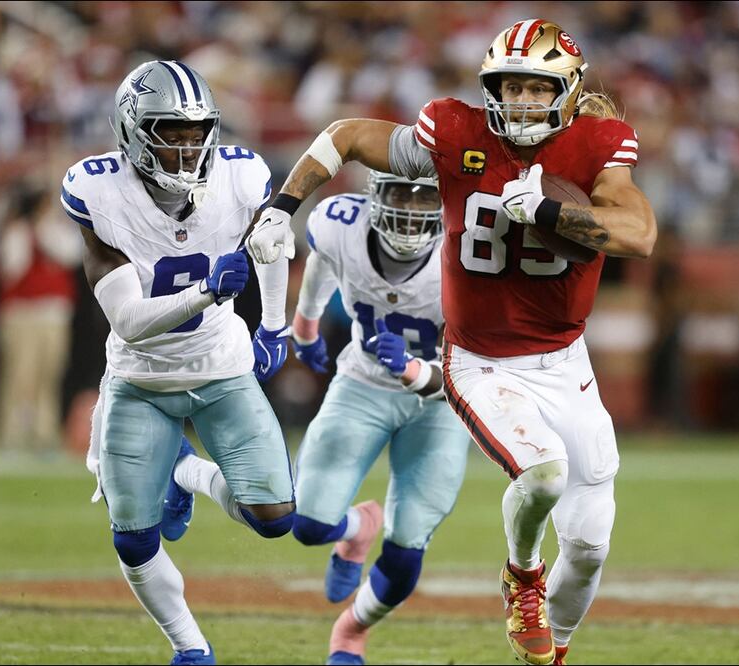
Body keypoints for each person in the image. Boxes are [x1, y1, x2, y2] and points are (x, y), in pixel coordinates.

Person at [246, 19, 657, 666]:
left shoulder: (598, 142)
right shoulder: (455, 133)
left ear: (569, 92)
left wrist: (547, 212)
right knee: (542, 473)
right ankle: (522, 576)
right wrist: (281, 205)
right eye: (508, 87)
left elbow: (637, 233)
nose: (519, 102)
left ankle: (556, 651)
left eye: (535, 88)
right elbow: (346, 135)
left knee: (588, 546)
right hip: (481, 360)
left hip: (565, 363)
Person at [63, 60, 295, 666]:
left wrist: (274, 322)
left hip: (220, 368)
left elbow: (270, 242)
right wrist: (208, 292)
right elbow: (128, 321)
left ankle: (185, 473)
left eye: (198, 133)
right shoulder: (98, 193)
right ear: (134, 131)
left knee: (274, 518)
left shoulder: (240, 177)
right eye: (171, 131)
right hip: (141, 380)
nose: (188, 146)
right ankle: (190, 647)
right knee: (134, 536)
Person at [283, 171, 470, 665]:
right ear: (374, 195)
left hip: (440, 404)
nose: (410, 210)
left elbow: (476, 371)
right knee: (306, 523)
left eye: (425, 195)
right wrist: (306, 324)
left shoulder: (470, 249)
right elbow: (322, 259)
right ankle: (357, 528)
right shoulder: (339, 223)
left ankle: (351, 630)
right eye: (399, 193)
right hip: (362, 383)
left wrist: (415, 370)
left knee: (407, 551)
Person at [0, 182, 79, 455]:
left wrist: (45, 231)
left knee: (48, 376)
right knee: (20, 376)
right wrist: (31, 232)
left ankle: (44, 435)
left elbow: (71, 255)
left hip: (53, 314)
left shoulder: (55, 231)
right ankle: (13, 435)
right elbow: (11, 268)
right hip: (22, 314)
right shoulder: (17, 233)